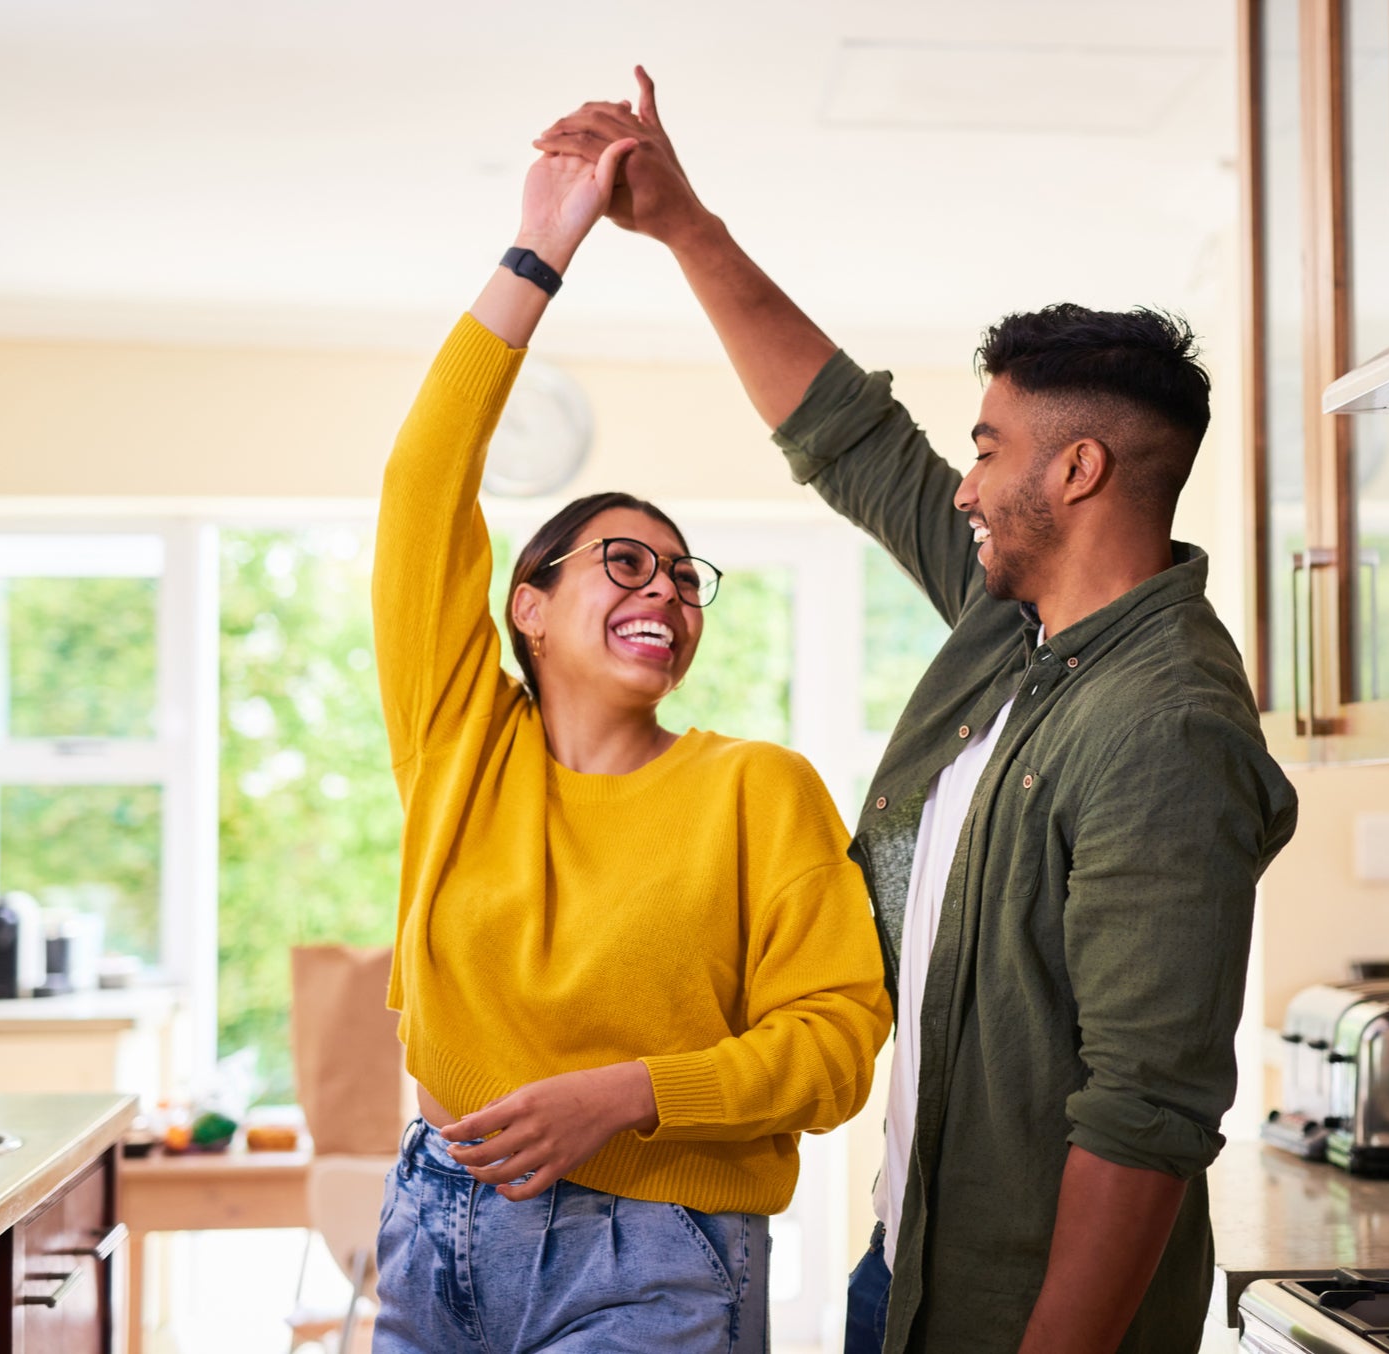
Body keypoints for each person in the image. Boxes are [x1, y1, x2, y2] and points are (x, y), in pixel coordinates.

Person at [534, 72, 1301, 1354]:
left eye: (989, 448)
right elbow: (852, 438)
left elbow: (1144, 1113)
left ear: (1077, 469)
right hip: (910, 1268)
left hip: (1019, 1318)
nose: (964, 483)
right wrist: (682, 225)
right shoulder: (1022, 628)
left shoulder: (1162, 726)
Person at [369, 135, 892, 1354]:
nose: (666, 586)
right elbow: (419, 491)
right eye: (623, 559)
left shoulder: (756, 789)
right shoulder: (459, 746)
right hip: (435, 1219)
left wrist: (629, 1094)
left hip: (654, 1250)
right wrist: (540, 249)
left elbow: (835, 1044)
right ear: (529, 605)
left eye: (682, 574)